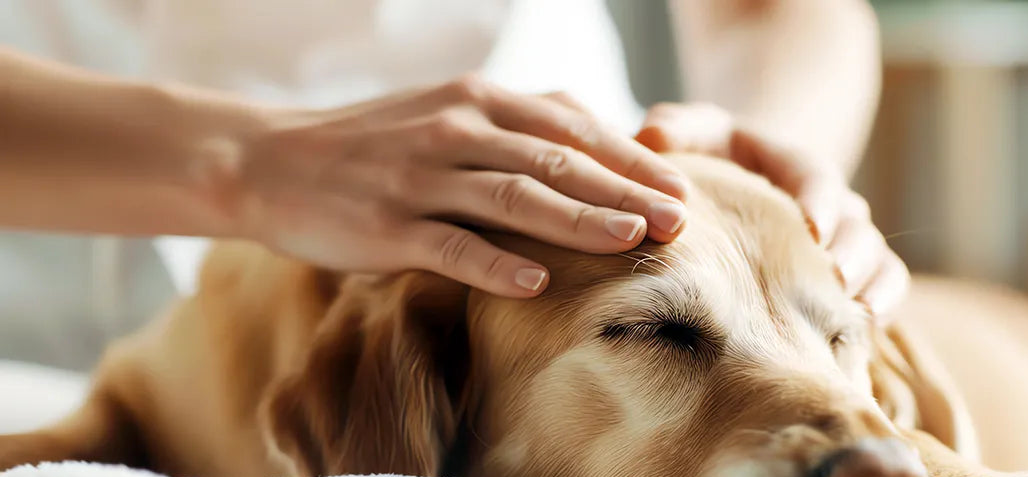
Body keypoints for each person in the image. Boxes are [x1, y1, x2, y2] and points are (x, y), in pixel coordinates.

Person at [0, 0, 906, 315]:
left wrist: (749, 163)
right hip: (37, 324)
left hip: (570, 258)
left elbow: (776, 13)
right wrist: (239, 163)